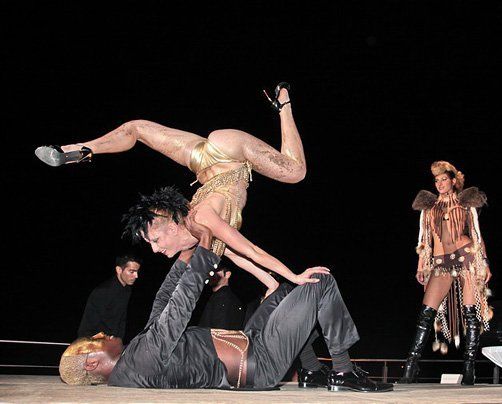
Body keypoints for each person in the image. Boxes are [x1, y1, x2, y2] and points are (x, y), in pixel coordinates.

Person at [58, 190, 393, 392]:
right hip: (260, 362)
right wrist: (204, 240)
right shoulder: (138, 364)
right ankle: (343, 371)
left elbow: (163, 301)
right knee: (320, 281)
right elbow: (180, 306)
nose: (100, 334)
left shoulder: (134, 358)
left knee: (288, 291)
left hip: (252, 340)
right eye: (95, 341)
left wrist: (186, 250)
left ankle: (310, 370)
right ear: (91, 363)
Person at [35, 82, 304, 295]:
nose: (155, 250)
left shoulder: (202, 219)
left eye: (155, 241)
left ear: (173, 228)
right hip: (202, 159)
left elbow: (251, 251)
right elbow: (242, 256)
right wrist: (272, 283)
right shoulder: (204, 230)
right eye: (154, 243)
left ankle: (284, 103)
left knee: (296, 173)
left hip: (229, 153)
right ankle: (80, 149)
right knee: (137, 128)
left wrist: (294, 276)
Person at [398, 161, 492, 385]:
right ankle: (411, 365)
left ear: (453, 181)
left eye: (444, 179)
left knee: (470, 313)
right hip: (441, 263)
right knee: (426, 314)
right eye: (436, 180)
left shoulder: (465, 202)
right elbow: (424, 240)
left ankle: (469, 368)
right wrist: (421, 265)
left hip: (467, 256)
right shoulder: (429, 207)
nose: (440, 183)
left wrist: (485, 262)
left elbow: (477, 234)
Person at [77, 254, 141, 339]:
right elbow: (89, 324)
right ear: (119, 270)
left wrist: (119, 339)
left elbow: (121, 319)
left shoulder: (127, 290)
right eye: (132, 272)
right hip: (93, 340)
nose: (136, 276)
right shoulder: (103, 291)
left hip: (112, 340)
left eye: (137, 272)